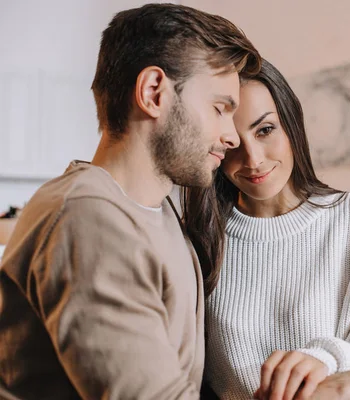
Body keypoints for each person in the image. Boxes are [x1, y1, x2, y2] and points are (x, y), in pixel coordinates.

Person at [0, 4, 260, 399]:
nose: (233, 136)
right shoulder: (86, 216)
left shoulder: (161, 212)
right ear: (153, 92)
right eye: (219, 109)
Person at [183, 59, 350, 400]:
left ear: (291, 125)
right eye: (232, 143)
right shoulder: (201, 244)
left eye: (265, 130)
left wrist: (325, 359)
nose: (253, 158)